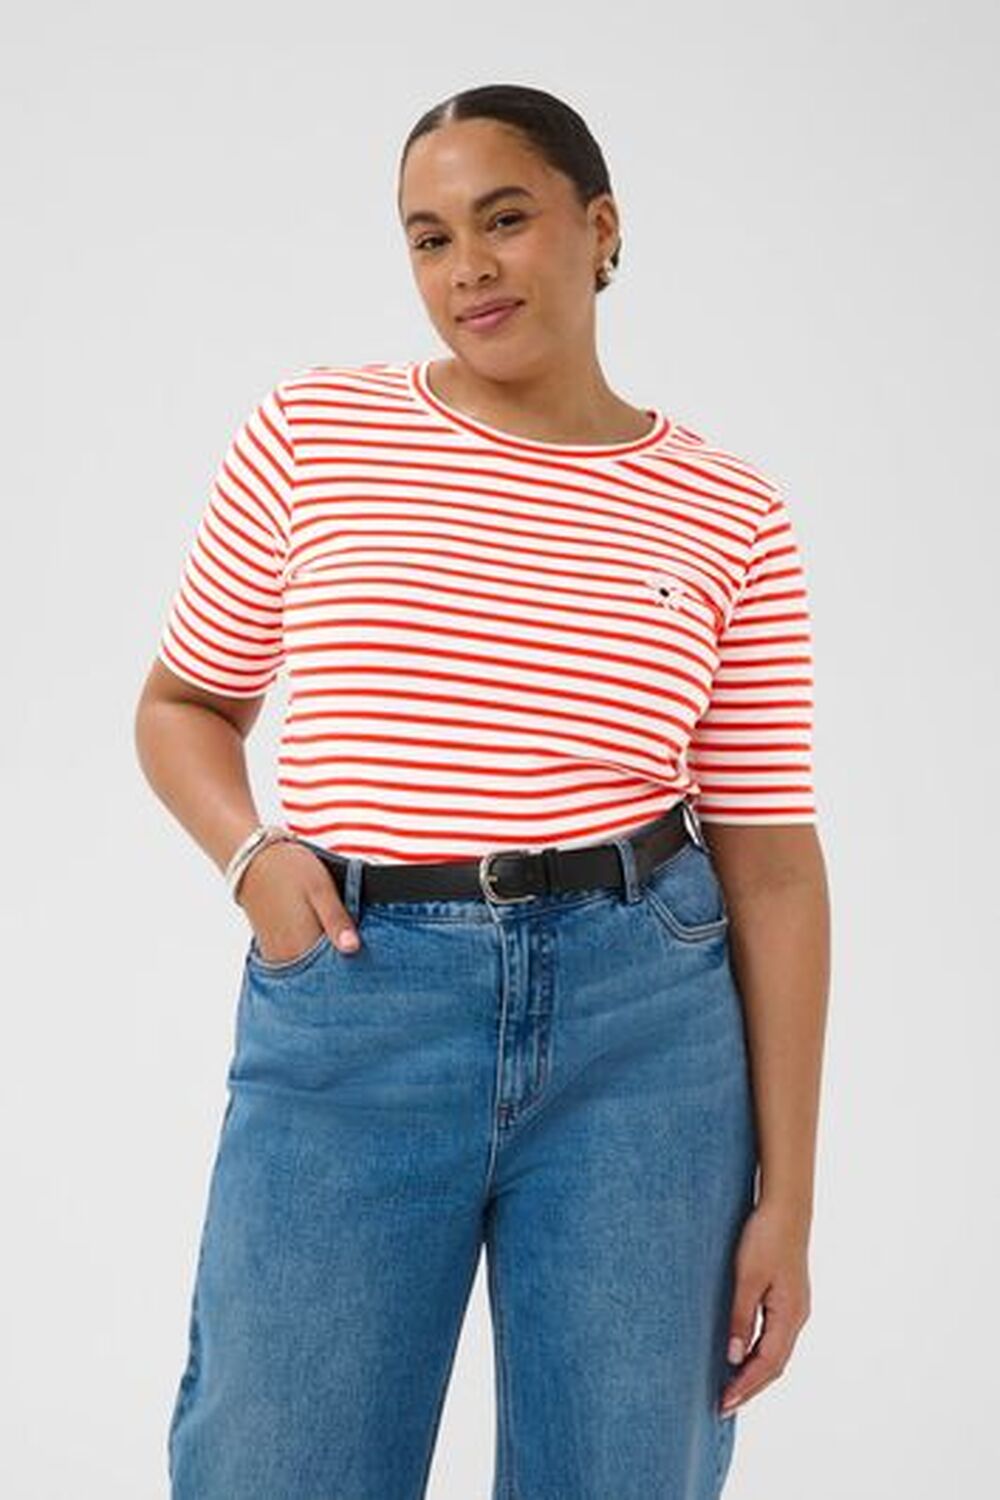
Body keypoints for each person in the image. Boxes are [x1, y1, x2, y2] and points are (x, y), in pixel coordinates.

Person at [135, 81, 831, 1500]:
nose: (468, 268)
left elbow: (772, 864)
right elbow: (182, 705)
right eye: (430, 236)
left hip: (646, 1026)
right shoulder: (315, 434)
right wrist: (255, 860)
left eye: (504, 220)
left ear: (602, 226)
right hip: (355, 992)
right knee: (275, 1466)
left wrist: (791, 1200)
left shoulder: (729, 509)